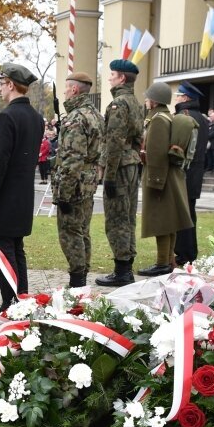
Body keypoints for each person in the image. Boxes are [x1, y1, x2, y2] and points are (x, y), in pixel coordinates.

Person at [0, 63, 43, 309]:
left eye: (1, 83)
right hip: (23, 197)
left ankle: (11, 302)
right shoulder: (36, 117)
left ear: (10, 84)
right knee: (17, 250)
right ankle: (22, 298)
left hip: (5, 199)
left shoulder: (7, 116)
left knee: (3, 253)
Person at [95, 59, 144, 287]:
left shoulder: (118, 104)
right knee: (128, 216)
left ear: (122, 78)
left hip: (120, 166)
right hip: (131, 164)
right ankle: (126, 266)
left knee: (116, 219)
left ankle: (122, 270)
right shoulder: (134, 102)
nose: (109, 78)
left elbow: (114, 142)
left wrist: (109, 174)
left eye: (112, 74)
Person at [53, 72, 104, 287]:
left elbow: (72, 159)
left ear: (74, 89)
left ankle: (77, 282)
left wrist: (63, 193)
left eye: (66, 88)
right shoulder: (95, 114)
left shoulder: (75, 118)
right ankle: (81, 277)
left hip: (74, 184)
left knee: (71, 232)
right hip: (88, 181)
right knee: (82, 230)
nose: (64, 92)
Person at [137, 82, 192, 277]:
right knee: (169, 221)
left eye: (147, 97)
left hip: (161, 177)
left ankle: (162, 262)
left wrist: (155, 180)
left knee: (161, 221)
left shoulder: (159, 120)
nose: (145, 100)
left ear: (154, 100)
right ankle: (168, 260)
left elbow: (156, 152)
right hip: (169, 177)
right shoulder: (165, 117)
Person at [172, 81, 207, 267]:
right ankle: (189, 252)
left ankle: (184, 254)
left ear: (185, 98)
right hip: (195, 173)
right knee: (189, 214)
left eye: (178, 95)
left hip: (184, 172)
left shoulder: (183, 116)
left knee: (182, 216)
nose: (176, 98)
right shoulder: (200, 117)